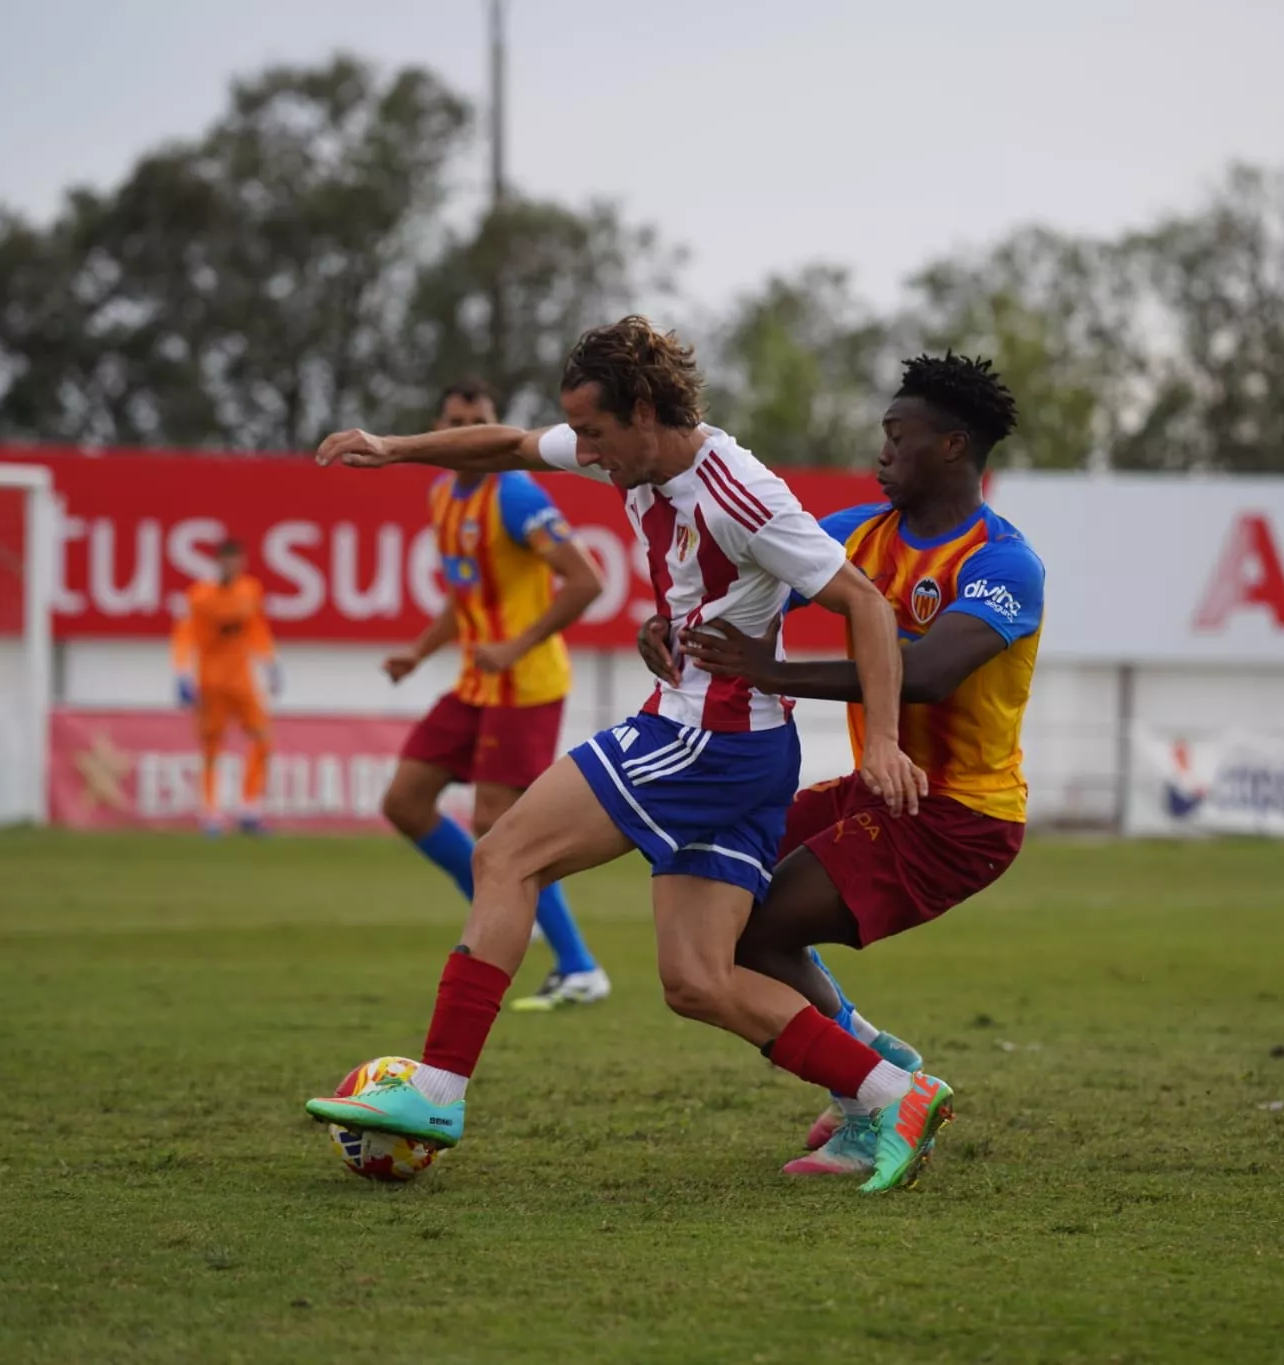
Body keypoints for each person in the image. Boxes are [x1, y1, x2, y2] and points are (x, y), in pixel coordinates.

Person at [306, 316, 946, 1194]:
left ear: (646, 412)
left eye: (600, 435)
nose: (590, 454)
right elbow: (511, 445)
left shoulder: (741, 491)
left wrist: (880, 743)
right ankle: (892, 1091)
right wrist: (396, 446)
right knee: (697, 979)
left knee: (505, 854)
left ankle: (438, 1090)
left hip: (703, 739)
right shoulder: (635, 451)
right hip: (740, 747)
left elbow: (866, 605)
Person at [643, 352, 1043, 1177]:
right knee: (726, 902)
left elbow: (926, 674)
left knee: (749, 928)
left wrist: (773, 672)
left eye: (901, 437)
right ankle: (876, 1063)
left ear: (954, 447)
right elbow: (743, 590)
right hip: (880, 790)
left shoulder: (1002, 562)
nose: (883, 452)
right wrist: (673, 628)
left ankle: (876, 1097)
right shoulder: (856, 532)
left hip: (959, 815)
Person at [380, 380, 611, 1009]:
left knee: (497, 828)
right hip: (476, 682)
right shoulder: (442, 497)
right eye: (456, 421)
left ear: (494, 425)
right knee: (405, 800)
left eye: (478, 420)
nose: (466, 431)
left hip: (526, 682)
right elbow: (467, 598)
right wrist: (418, 652)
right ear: (440, 425)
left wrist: (516, 645)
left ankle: (580, 965)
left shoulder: (513, 491)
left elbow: (586, 580)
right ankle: (509, 901)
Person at [171, 538, 280, 836]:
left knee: (262, 739)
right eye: (227, 561)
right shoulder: (199, 596)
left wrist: (270, 663)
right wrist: (181, 673)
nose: (233, 567)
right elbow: (184, 636)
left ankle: (249, 809)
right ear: (218, 562)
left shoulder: (250, 590)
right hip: (210, 682)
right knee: (211, 748)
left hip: (242, 680)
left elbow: (257, 630)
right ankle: (210, 813)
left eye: (237, 561)